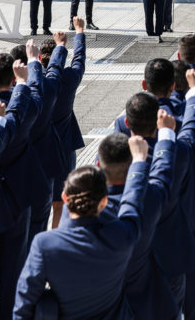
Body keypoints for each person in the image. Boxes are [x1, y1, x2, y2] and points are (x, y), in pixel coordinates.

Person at [14, 134, 171, 319]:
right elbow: (132, 202)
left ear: (65, 198)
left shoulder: (45, 245)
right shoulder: (120, 236)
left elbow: (24, 303)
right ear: (103, 202)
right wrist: (138, 162)